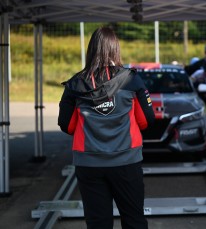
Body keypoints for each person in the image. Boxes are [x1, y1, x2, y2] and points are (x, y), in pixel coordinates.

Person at [58, 27, 155, 229]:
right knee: (134, 220)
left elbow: (67, 126)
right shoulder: (131, 79)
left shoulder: (75, 84)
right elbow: (146, 121)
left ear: (91, 49)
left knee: (98, 224)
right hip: (127, 161)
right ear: (115, 49)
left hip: (89, 164)